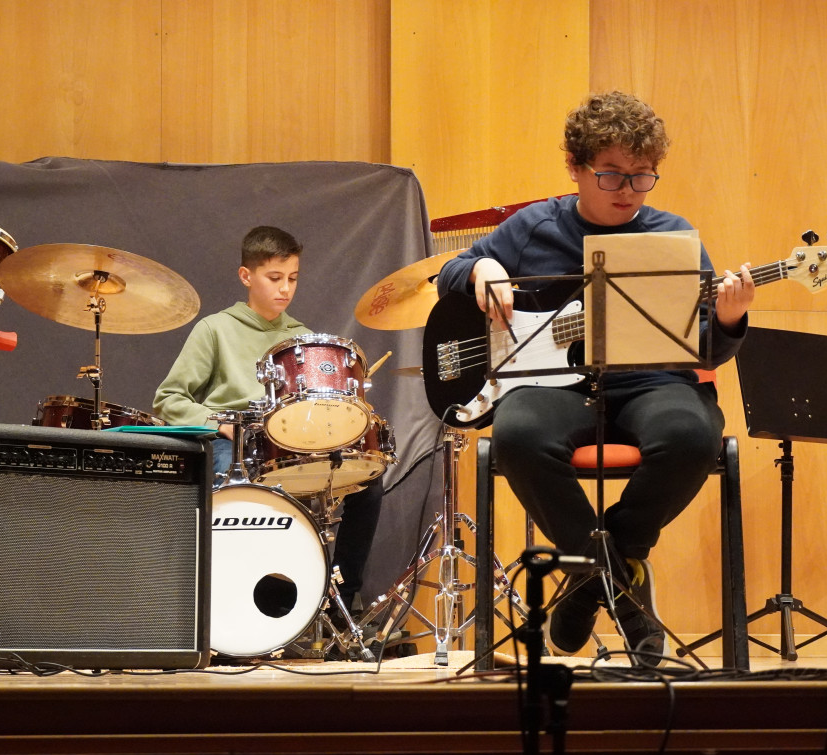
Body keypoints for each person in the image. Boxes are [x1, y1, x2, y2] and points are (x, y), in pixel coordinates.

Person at [435, 91, 755, 666]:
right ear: (575, 168)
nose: (627, 190)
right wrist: (481, 267)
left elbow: (706, 345)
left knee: (690, 435)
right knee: (518, 435)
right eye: (610, 174)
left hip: (652, 383)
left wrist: (729, 319)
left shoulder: (672, 235)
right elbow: (448, 272)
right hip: (554, 388)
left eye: (641, 176)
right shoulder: (534, 226)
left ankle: (592, 575)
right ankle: (620, 581)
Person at [153, 225, 383, 623]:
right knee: (229, 468)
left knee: (368, 483)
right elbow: (168, 399)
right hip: (233, 441)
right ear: (246, 276)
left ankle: (339, 601)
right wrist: (219, 424)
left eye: (293, 278)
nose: (285, 289)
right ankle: (230, 602)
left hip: (292, 445)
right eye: (274, 278)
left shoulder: (303, 338)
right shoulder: (215, 329)